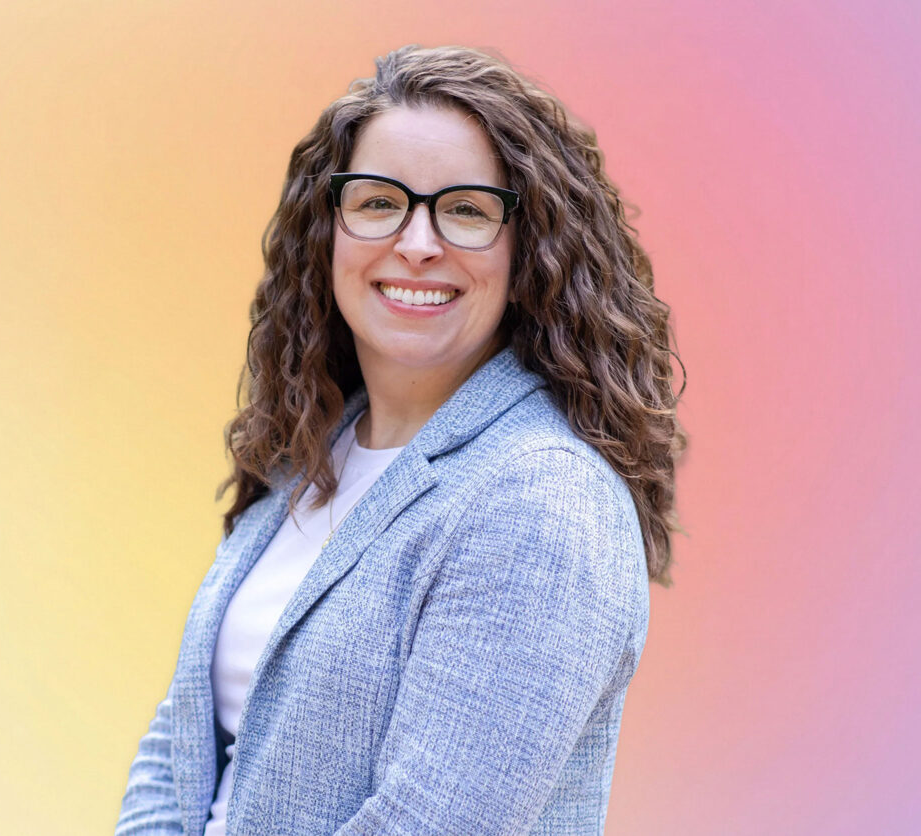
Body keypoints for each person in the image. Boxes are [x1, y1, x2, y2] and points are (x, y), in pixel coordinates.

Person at [116, 44, 685, 836]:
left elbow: (432, 823)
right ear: (330, 229)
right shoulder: (309, 456)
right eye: (380, 201)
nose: (417, 242)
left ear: (532, 250)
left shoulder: (541, 499)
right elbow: (175, 761)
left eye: (466, 209)